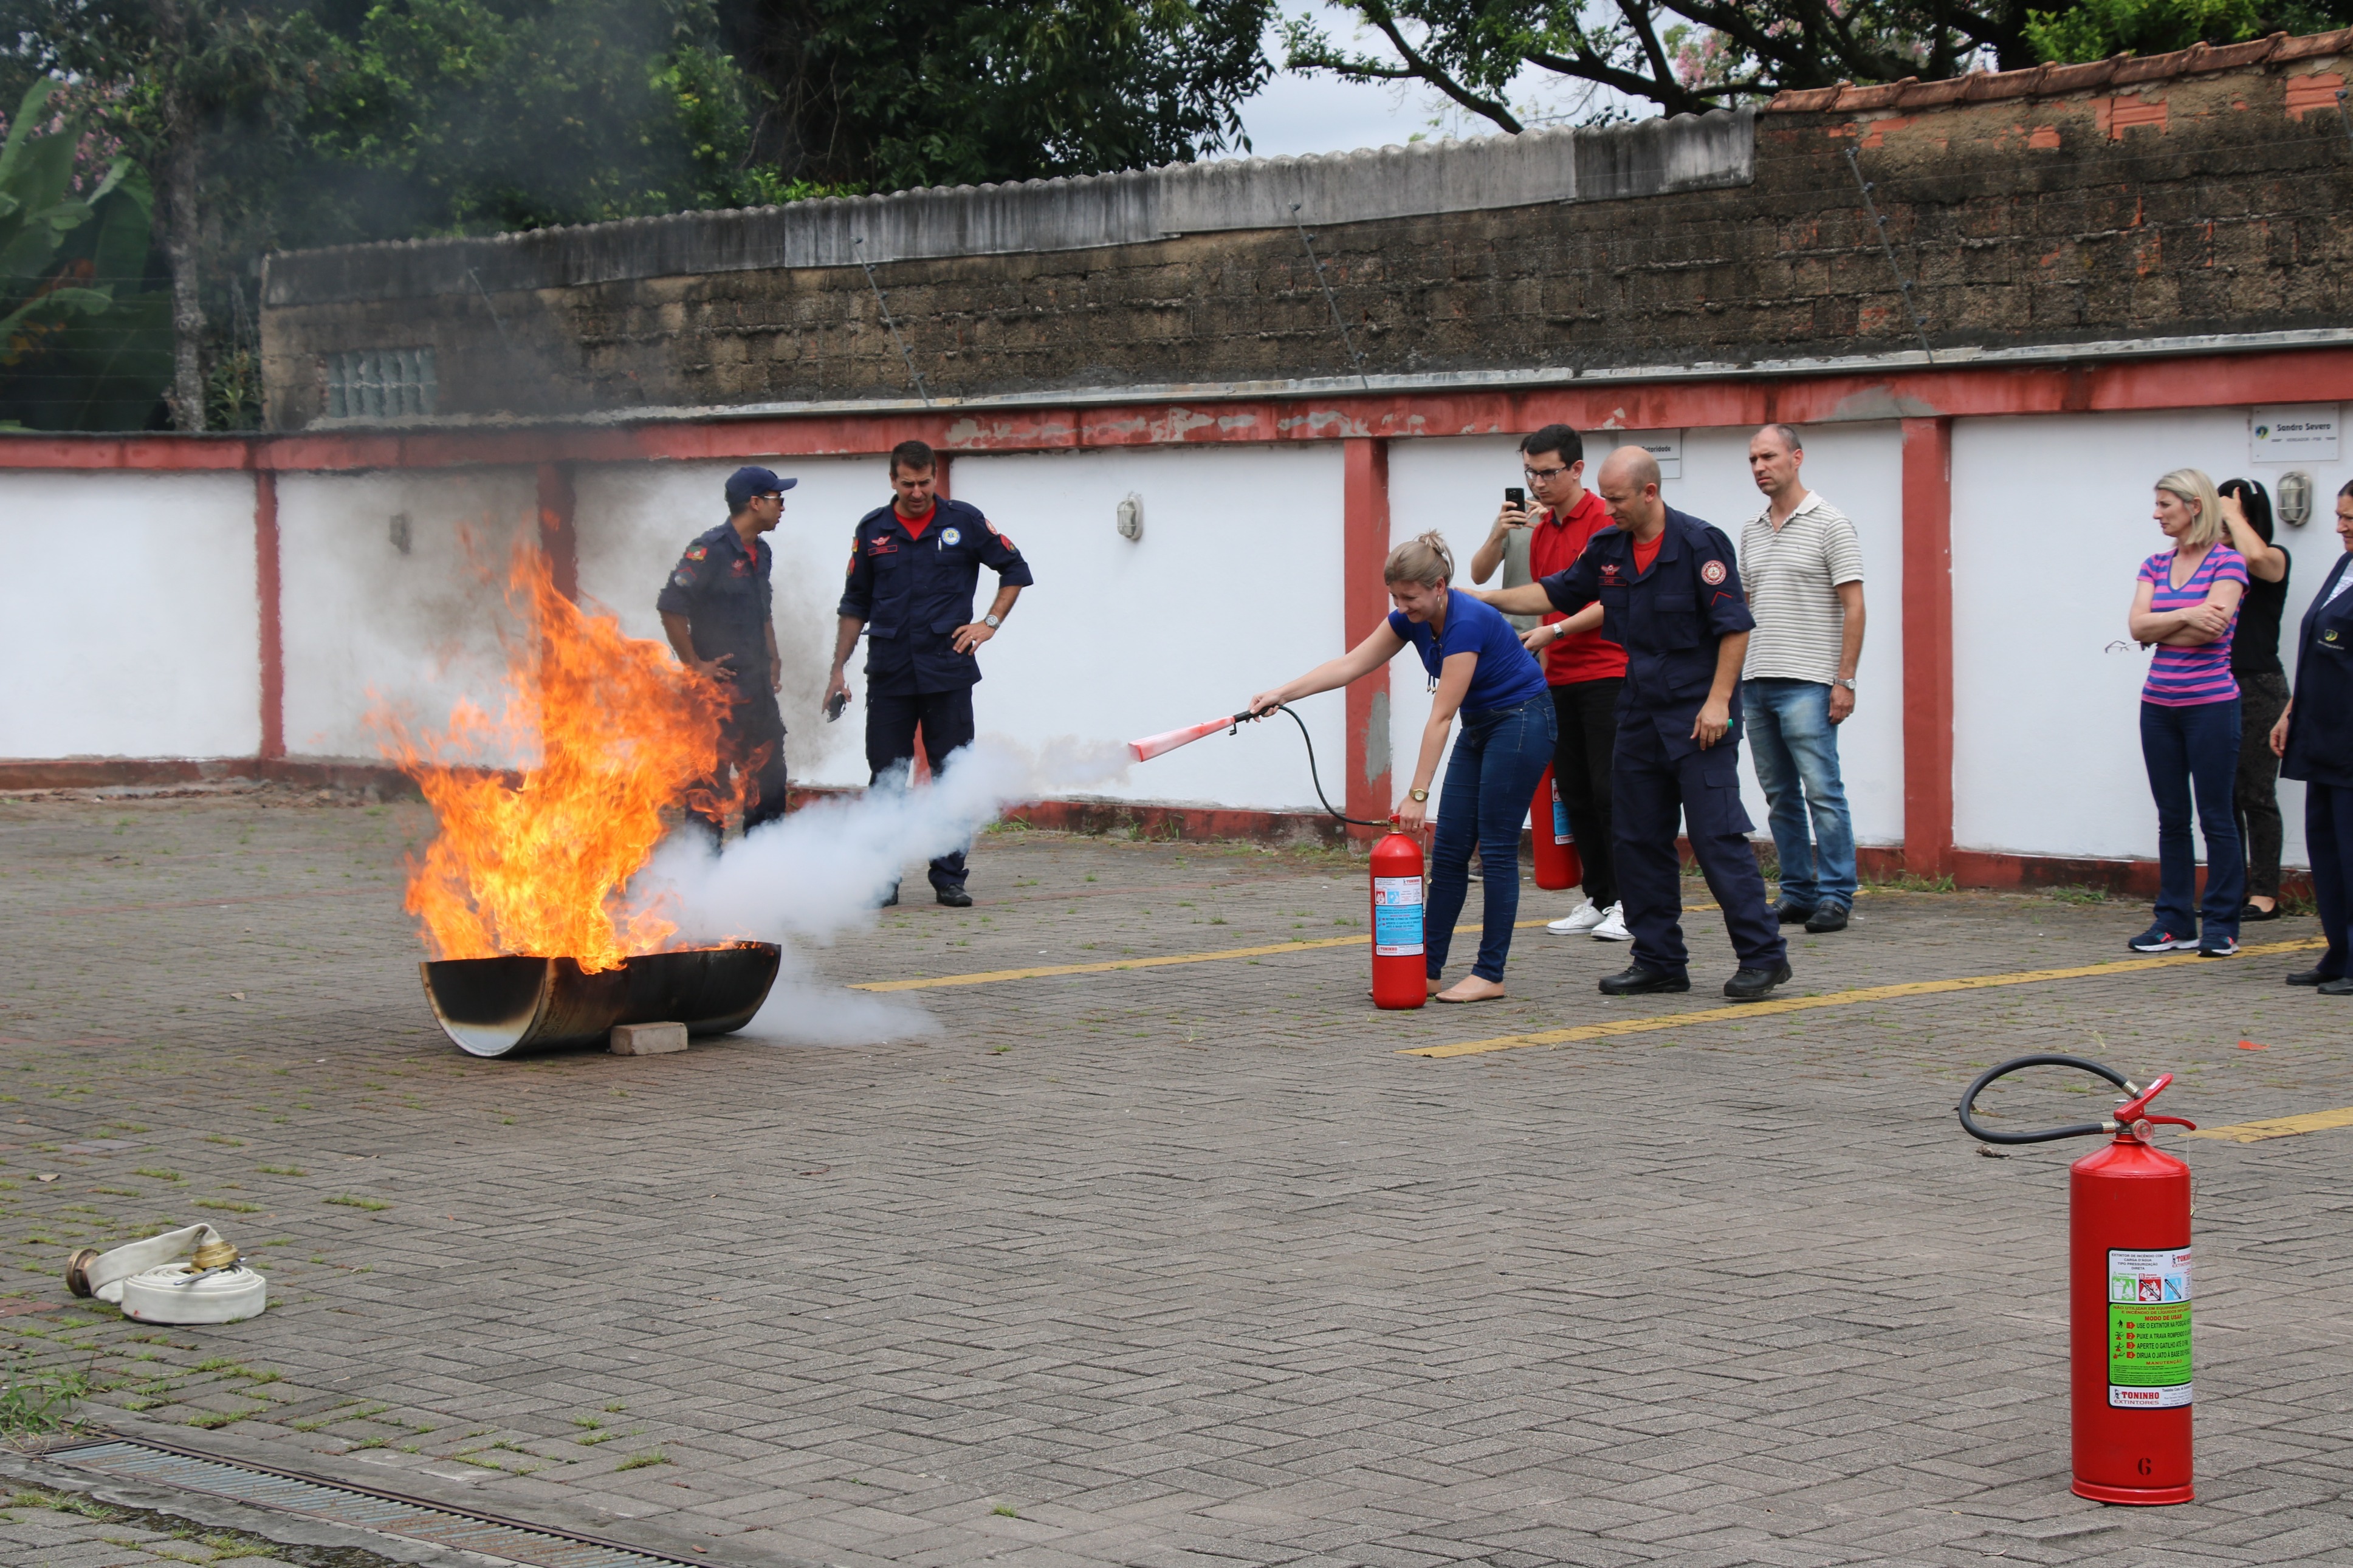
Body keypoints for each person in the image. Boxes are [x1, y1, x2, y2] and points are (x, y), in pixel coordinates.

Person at [1472, 447, 1791, 1001]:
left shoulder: (1699, 542)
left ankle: (1763, 956)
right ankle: (1659, 959)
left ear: (1649, 492)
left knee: (1716, 838)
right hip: (1639, 711)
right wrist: (1478, 599)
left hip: (1698, 716)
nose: (1609, 507)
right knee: (1636, 838)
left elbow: (1735, 626)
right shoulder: (1609, 547)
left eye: (1617, 498)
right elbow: (1554, 592)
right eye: (1606, 496)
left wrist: (1719, 701)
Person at [1248, 532, 1553, 1003]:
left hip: (1522, 720)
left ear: (1440, 586)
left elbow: (1441, 717)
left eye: (1410, 597)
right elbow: (1351, 664)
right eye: (1395, 597)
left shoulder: (1466, 622)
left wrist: (1417, 794)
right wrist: (1282, 693)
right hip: (1481, 725)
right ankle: (1427, 971)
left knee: (1495, 848)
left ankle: (1490, 973)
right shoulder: (1411, 620)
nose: (1401, 606)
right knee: (1448, 852)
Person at [828, 439, 1033, 908]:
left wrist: (989, 623)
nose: (917, 492)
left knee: (952, 776)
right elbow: (855, 602)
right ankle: (882, 879)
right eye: (908, 484)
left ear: (935, 477)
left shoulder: (965, 521)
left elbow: (1015, 569)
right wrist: (837, 669)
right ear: (892, 479)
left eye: (924, 482)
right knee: (886, 777)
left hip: (947, 669)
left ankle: (949, 877)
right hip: (890, 673)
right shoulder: (873, 530)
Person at [1469, 423, 1629, 943]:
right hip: (1557, 675)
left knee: (1611, 791)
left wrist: (1555, 630)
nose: (1537, 484)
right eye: (1530, 474)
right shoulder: (1539, 529)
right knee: (1574, 793)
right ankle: (1600, 897)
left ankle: (1631, 901)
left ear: (1577, 469)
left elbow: (1611, 600)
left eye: (1547, 473)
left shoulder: (1605, 519)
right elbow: (1543, 594)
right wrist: (1483, 600)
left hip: (1608, 672)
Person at [1739, 423, 1866, 935]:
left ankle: (1836, 894)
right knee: (1780, 795)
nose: (1759, 467)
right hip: (1757, 680)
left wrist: (1845, 680)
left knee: (1823, 791)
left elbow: (1854, 606)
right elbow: (1743, 610)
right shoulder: (1751, 529)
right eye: (1753, 459)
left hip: (1809, 681)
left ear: (1797, 458)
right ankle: (1797, 891)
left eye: (1769, 457)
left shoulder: (1831, 522)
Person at [2127, 468, 2248, 957]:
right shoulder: (2155, 564)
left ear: (2194, 506)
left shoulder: (2229, 562)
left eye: (2165, 505)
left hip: (2211, 706)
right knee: (2172, 817)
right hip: (2158, 705)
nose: (2156, 514)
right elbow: (2137, 628)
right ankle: (2174, 921)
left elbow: (2212, 630)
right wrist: (2185, 614)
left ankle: (2221, 924)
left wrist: (2165, 623)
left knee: (2217, 816)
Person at [658, 465, 795, 844]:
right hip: (717, 693)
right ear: (755, 503)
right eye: (777, 498)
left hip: (758, 691)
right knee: (708, 787)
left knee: (769, 782)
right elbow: (671, 606)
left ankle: (761, 866)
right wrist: (694, 665)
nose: (782, 506)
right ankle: (704, 871)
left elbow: (762, 610)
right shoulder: (709, 550)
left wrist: (774, 657)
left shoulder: (762, 551)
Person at [2273, 480, 2353, 995]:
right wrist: (2290, 712)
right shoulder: (2344, 566)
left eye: (2351, 518)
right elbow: (2316, 652)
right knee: (2327, 850)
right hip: (2320, 734)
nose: (2341, 526)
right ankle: (2339, 951)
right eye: (2340, 516)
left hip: (2349, 739)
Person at [2217, 478, 2291, 922]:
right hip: (2213, 683)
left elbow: (2260, 560)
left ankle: (2264, 893)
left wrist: (2233, 514)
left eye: (2230, 513)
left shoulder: (2274, 555)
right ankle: (2229, 889)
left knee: (2256, 793)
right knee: (2221, 794)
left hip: (2259, 686)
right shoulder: (2212, 561)